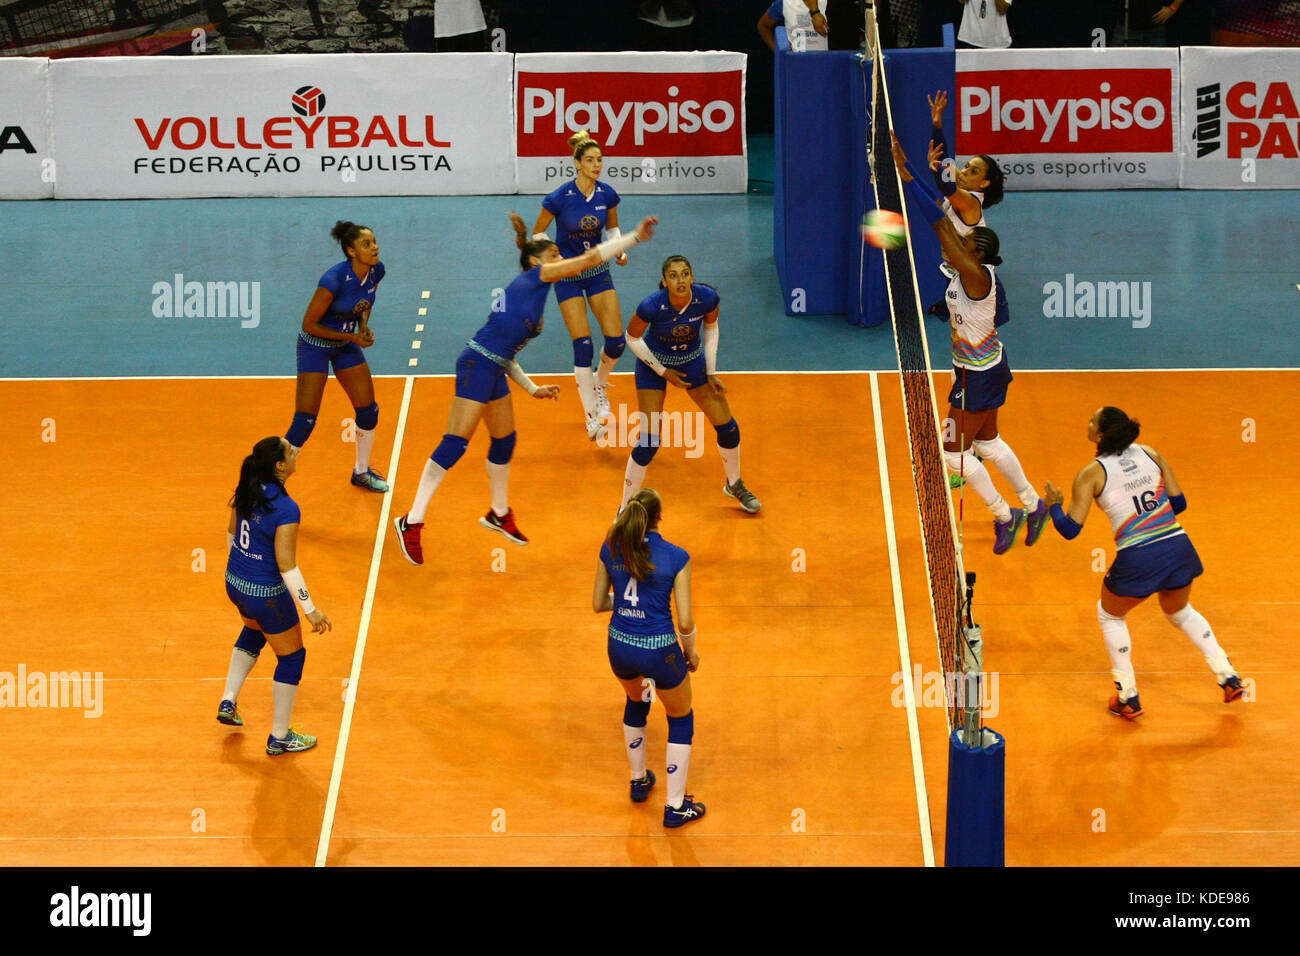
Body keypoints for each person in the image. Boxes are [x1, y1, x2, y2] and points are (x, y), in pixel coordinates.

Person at [393, 211, 659, 565]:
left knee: (505, 440)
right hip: (476, 365)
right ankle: (411, 521)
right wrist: (634, 237)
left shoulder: (529, 294)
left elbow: (504, 348)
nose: (559, 259)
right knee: (455, 443)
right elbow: (592, 258)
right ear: (536, 261)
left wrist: (531, 387)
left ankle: (499, 514)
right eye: (554, 255)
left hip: (493, 366)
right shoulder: (536, 276)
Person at [893, 133, 1046, 554]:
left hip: (975, 375)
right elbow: (946, 216)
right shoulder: (967, 273)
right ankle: (1033, 505)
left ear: (976, 254)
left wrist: (906, 173)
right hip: (988, 364)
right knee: (988, 443)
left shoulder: (975, 274)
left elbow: (941, 222)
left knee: (952, 454)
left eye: (967, 245)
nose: (961, 245)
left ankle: (1003, 514)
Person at [1043, 407, 1244, 718]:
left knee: (1110, 616)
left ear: (1100, 435)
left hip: (1138, 556)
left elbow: (1070, 529)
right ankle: (1228, 675)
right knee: (1179, 610)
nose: (1088, 421)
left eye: (1092, 420)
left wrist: (1054, 507)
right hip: (1178, 546)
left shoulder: (1091, 474)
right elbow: (1179, 503)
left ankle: (1128, 697)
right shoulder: (1150, 453)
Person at [593, 489, 706, 828]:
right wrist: (690, 652)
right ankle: (675, 807)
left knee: (637, 702)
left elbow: (599, 603)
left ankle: (639, 780)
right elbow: (684, 621)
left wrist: (630, 606)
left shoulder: (610, 547)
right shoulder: (676, 557)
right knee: (681, 716)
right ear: (659, 517)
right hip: (660, 652)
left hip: (620, 648)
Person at [619, 255, 761, 515]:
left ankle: (734, 484)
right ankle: (625, 507)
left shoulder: (706, 299)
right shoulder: (651, 306)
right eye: (673, 275)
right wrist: (663, 372)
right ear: (665, 282)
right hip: (654, 366)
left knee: (728, 428)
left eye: (685, 274)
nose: (680, 279)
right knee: (649, 441)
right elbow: (632, 338)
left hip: (692, 361)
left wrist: (711, 371)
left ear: (692, 277)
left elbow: (711, 328)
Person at [219, 437, 331, 755]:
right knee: (292, 657)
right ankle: (280, 737)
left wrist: (242, 571)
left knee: (254, 630)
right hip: (265, 594)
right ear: (280, 466)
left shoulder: (247, 488)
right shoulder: (286, 508)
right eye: (290, 451)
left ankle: (229, 699)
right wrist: (310, 609)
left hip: (234, 582)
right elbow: (286, 564)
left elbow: (231, 534)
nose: (296, 452)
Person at [532, 131, 632, 443]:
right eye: (589, 160)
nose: (596, 165)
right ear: (576, 163)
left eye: (599, 160)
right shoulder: (559, 198)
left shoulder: (607, 194)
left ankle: (600, 384)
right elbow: (537, 234)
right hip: (569, 276)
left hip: (598, 270)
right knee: (584, 345)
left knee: (616, 341)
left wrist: (618, 248)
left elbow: (613, 229)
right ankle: (591, 417)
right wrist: (556, 256)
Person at [283, 221, 390, 493]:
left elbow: (365, 304)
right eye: (366, 244)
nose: (374, 246)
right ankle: (270, 484)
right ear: (352, 252)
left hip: (344, 344)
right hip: (314, 346)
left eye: (374, 241)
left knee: (368, 411)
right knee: (304, 421)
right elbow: (309, 324)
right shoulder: (332, 280)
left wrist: (363, 327)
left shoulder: (377, 271)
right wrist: (354, 338)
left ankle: (361, 472)